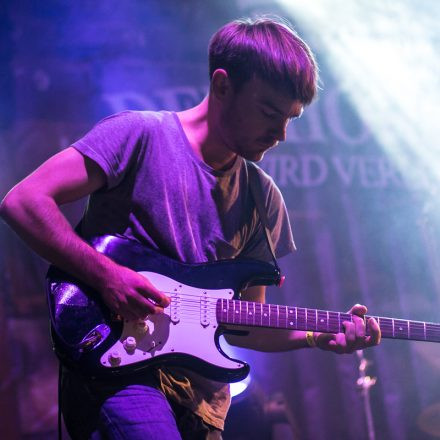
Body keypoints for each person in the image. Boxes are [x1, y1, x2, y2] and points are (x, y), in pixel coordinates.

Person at [0, 17, 381, 440]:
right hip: (116, 368)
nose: (281, 134)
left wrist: (316, 336)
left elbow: (245, 323)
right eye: (270, 112)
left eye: (290, 118)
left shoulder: (263, 198)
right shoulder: (138, 134)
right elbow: (24, 201)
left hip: (203, 403)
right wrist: (106, 276)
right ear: (222, 86)